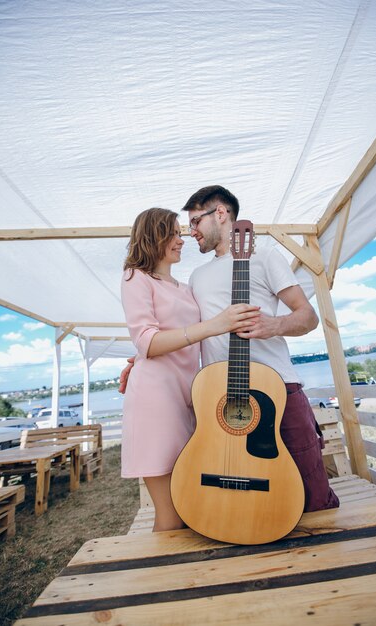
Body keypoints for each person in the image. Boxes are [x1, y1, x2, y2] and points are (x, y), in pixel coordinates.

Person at [120, 187, 339, 512]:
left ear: (220, 214)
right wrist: (140, 359)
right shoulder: (196, 278)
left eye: (195, 222)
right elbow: (175, 329)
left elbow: (308, 317)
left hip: (278, 389)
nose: (190, 232)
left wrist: (273, 325)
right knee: (249, 503)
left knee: (312, 492)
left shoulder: (264, 256)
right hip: (222, 402)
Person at [121, 207, 260, 532]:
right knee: (172, 517)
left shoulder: (185, 288)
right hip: (155, 402)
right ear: (152, 235)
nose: (181, 239)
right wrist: (214, 325)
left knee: (191, 503)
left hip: (188, 402)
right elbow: (147, 341)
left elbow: (173, 341)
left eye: (180, 232)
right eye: (172, 233)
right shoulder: (135, 277)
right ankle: (163, 581)